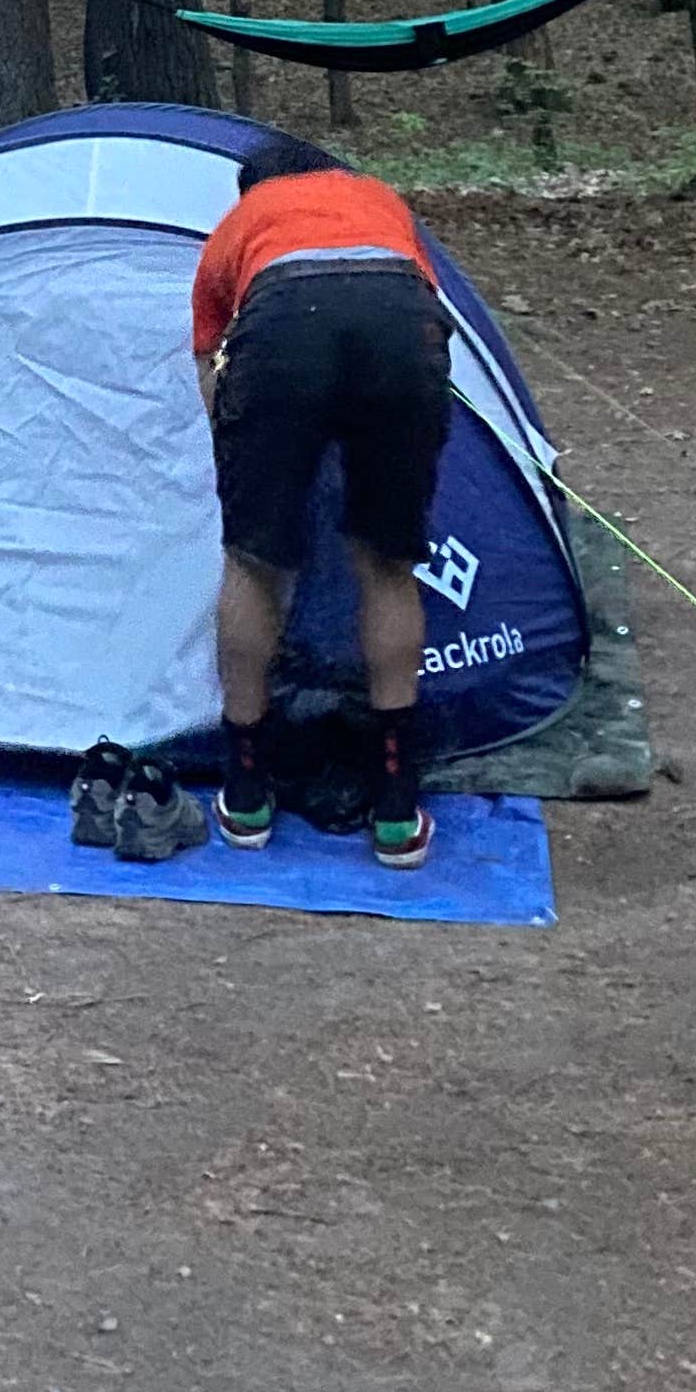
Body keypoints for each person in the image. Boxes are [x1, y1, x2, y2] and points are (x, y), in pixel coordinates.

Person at [189, 131, 452, 869]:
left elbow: (212, 365)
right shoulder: (379, 200)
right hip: (400, 322)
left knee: (253, 564)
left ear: (252, 190)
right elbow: (425, 307)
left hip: (280, 325)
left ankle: (245, 793)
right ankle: (397, 808)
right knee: (388, 562)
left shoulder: (239, 227)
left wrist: (248, 468)